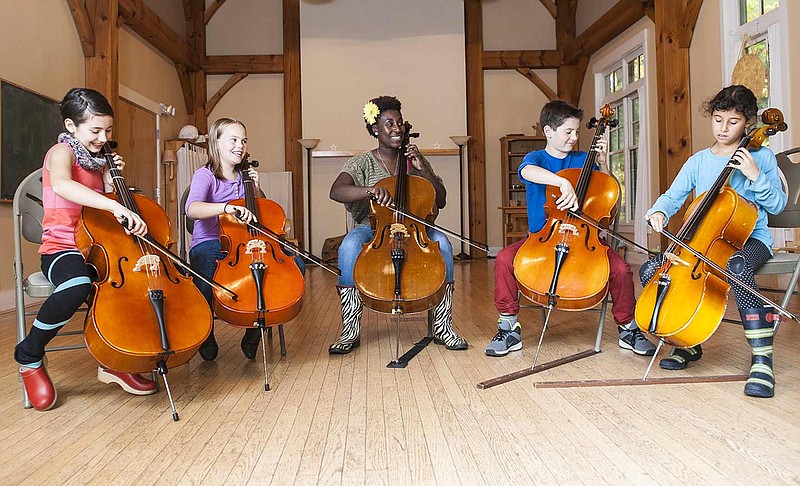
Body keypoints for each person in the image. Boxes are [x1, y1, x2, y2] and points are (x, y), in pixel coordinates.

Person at [14, 87, 158, 412]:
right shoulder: (59, 153)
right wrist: (114, 209)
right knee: (77, 284)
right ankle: (29, 354)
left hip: (97, 248)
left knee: (127, 284)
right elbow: (64, 184)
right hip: (62, 247)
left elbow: (108, 208)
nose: (103, 137)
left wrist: (110, 179)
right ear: (71, 126)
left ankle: (113, 359)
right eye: (95, 130)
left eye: (108, 130)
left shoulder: (98, 161)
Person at [640, 85, 786, 398]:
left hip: (749, 239)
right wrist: (658, 212)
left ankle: (762, 359)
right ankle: (686, 340)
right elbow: (673, 196)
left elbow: (777, 205)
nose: (723, 128)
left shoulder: (761, 157)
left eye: (732, 122)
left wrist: (754, 174)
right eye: (717, 119)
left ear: (747, 122)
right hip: (699, 243)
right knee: (653, 269)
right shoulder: (698, 162)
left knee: (737, 266)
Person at [485, 99, 656, 358]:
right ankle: (509, 328)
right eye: (568, 132)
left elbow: (608, 193)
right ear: (548, 131)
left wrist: (603, 163)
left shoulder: (584, 159)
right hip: (542, 238)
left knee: (620, 269)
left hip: (584, 240)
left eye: (577, 132)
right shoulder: (537, 158)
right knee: (504, 259)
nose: (574, 138)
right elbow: (528, 171)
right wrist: (562, 183)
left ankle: (628, 328)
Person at [327, 95, 467, 354]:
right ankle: (349, 330)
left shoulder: (415, 160)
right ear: (374, 130)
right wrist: (370, 190)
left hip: (416, 229)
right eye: (389, 124)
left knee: (444, 244)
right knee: (348, 246)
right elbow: (337, 191)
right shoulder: (362, 163)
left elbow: (442, 200)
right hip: (374, 228)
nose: (396, 128)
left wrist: (422, 168)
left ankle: (443, 325)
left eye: (399, 123)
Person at [185, 117, 305, 361]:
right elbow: (192, 208)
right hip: (211, 241)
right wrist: (226, 208)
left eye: (244, 140)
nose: (240, 146)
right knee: (204, 260)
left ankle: (256, 328)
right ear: (216, 143)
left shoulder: (246, 177)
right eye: (233, 140)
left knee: (295, 265)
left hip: (247, 244)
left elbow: (264, 215)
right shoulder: (205, 175)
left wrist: (257, 190)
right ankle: (206, 331)